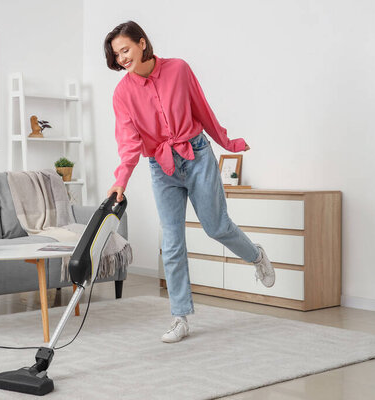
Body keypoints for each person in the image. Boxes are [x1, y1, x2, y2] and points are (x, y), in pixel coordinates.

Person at [104, 21, 275, 343]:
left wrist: (228, 143)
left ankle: (256, 256)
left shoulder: (178, 69)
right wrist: (121, 179)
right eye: (117, 54)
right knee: (171, 242)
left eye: (125, 49)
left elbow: (202, 108)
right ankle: (180, 317)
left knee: (216, 226)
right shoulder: (123, 92)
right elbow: (128, 140)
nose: (122, 58)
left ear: (142, 43)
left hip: (197, 154)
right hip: (160, 164)